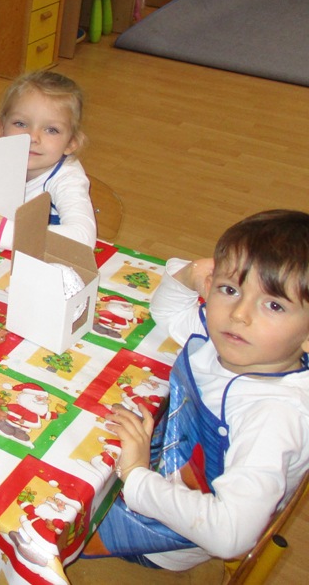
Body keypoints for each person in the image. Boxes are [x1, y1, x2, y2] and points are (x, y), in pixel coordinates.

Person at [81, 210, 309, 571]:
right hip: (164, 465)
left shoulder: (274, 417)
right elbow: (169, 313)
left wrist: (137, 475)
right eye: (230, 290)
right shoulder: (237, 343)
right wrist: (190, 275)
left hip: (167, 536)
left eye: (274, 305)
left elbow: (230, 534)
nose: (239, 314)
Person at [0, 71, 96, 251]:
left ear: (71, 143)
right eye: (21, 124)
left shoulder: (67, 179)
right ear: (2, 128)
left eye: (51, 130)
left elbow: (83, 240)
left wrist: (6, 235)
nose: (32, 137)